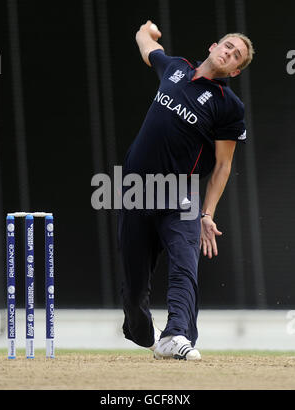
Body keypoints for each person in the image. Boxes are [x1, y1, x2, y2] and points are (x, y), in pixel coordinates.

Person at [118, 20, 254, 360]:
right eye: (228, 46)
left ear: (235, 71)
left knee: (184, 263)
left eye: (236, 55)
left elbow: (222, 166)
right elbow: (147, 46)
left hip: (181, 194)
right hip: (136, 190)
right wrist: (146, 29)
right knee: (134, 291)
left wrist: (207, 213)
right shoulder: (175, 68)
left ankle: (176, 334)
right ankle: (141, 329)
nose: (229, 53)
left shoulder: (228, 106)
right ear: (213, 46)